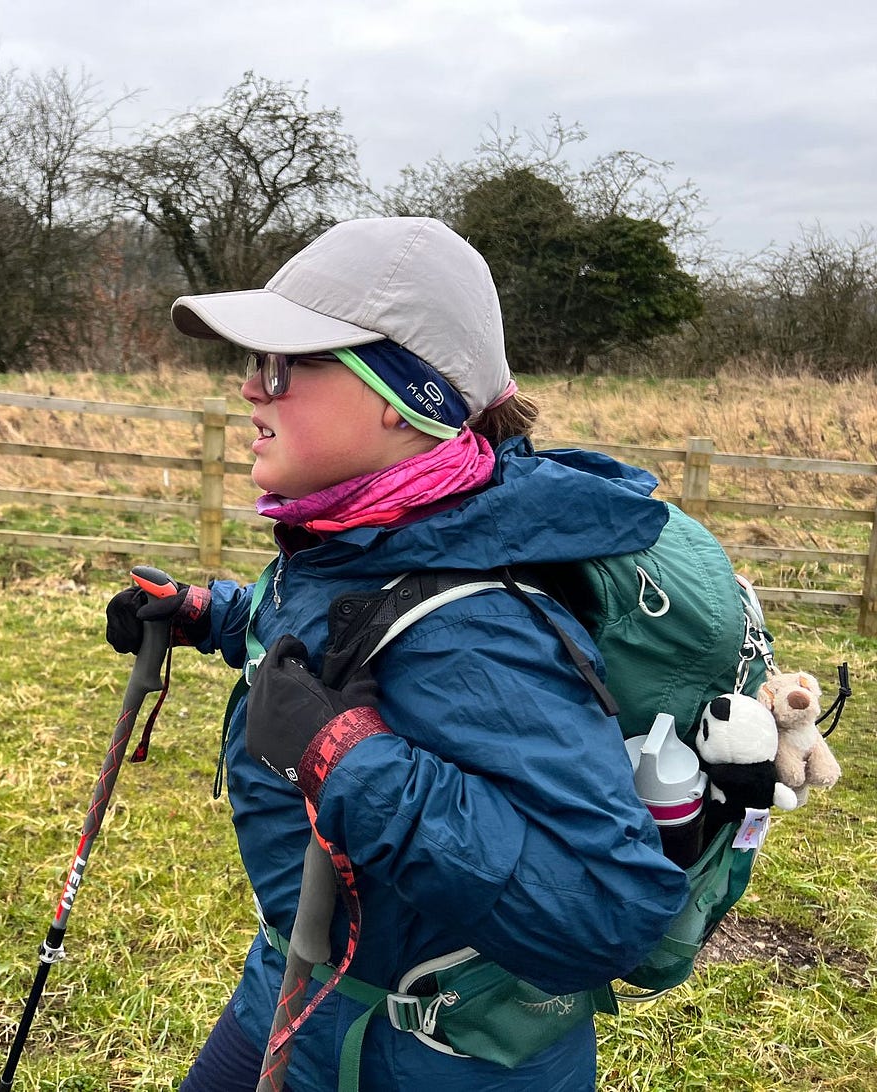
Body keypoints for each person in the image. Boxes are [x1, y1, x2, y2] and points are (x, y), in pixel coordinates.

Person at [105, 217, 689, 1091]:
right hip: (300, 979)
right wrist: (215, 615)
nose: (248, 389)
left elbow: (608, 912)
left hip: (429, 1050)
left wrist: (350, 761)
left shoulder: (482, 624)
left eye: (280, 364)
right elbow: (350, 636)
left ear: (401, 394)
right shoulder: (362, 533)